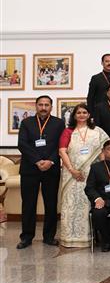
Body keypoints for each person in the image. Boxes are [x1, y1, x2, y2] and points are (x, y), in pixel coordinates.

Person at [16, 95, 66, 249]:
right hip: (30, 168)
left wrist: (50, 161)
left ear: (51, 107)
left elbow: (61, 144)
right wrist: (38, 161)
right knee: (28, 204)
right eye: (40, 105)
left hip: (51, 168)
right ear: (36, 106)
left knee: (51, 203)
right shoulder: (26, 123)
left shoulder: (59, 123)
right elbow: (22, 144)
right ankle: (26, 237)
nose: (43, 107)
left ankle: (49, 237)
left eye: (46, 105)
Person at [58, 103, 110, 247]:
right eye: (78, 112)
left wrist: (104, 170)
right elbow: (62, 151)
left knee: (88, 204)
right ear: (74, 116)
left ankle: (88, 238)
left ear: (89, 115)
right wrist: (72, 170)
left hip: (92, 175)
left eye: (84, 112)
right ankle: (68, 238)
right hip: (71, 175)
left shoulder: (98, 131)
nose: (81, 115)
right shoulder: (68, 131)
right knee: (71, 205)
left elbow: (104, 151)